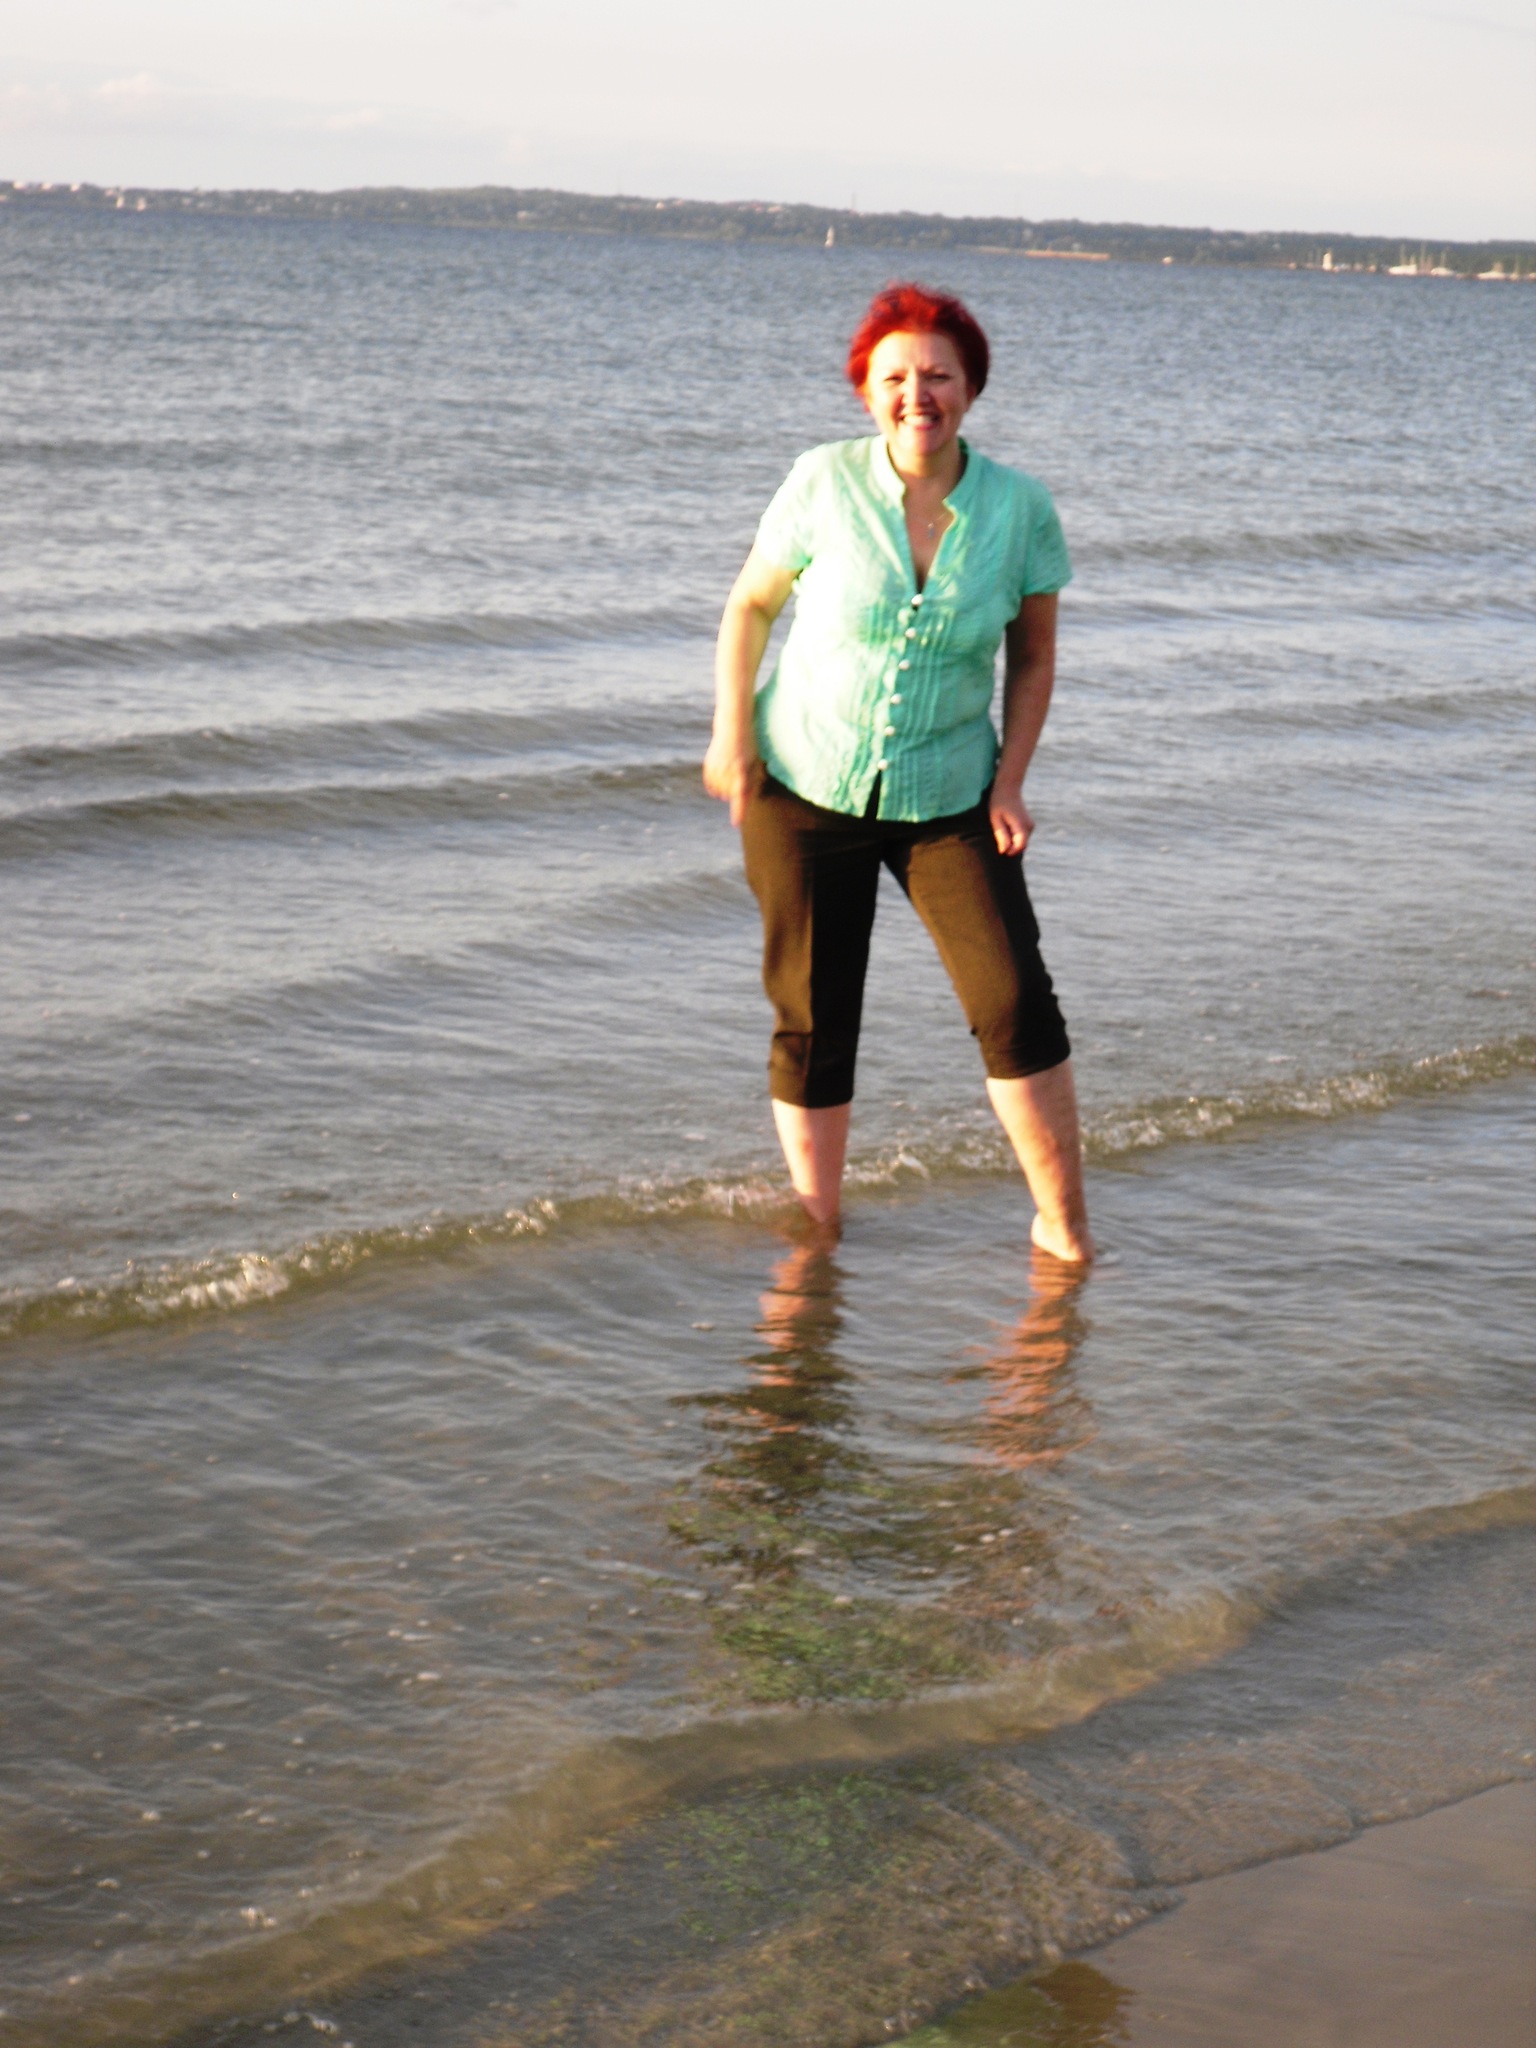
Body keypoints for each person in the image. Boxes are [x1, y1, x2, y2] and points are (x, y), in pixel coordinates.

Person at [703, 282, 1093, 1263]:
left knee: (1014, 1000)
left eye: (938, 375)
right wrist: (729, 734)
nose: (918, 394)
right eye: (896, 378)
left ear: (971, 387)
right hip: (802, 781)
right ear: (867, 392)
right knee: (815, 1013)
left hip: (951, 793)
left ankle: (1065, 1229)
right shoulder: (820, 481)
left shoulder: (1020, 509)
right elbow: (750, 607)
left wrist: (1011, 780)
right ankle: (819, 1231)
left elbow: (1034, 658)